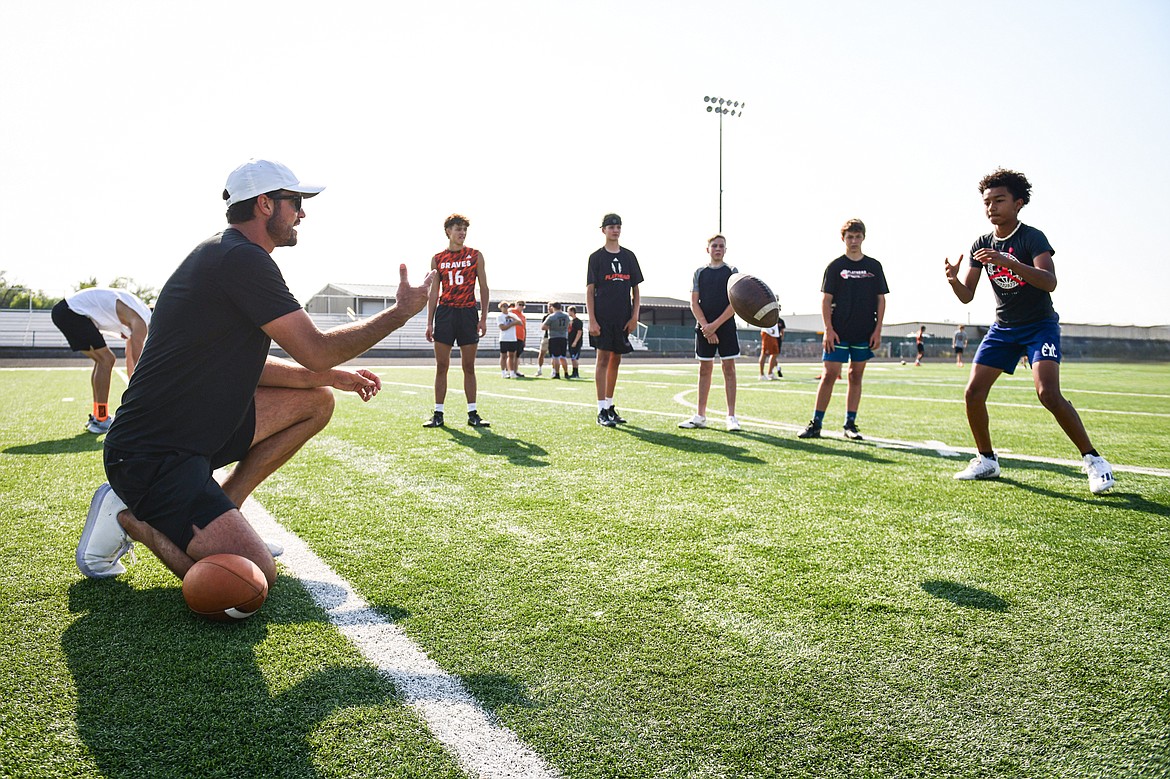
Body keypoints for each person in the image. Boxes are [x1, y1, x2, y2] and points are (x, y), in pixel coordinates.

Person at [77, 158, 436, 589]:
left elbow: (248, 364)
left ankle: (226, 507)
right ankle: (129, 515)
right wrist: (398, 314)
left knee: (316, 402)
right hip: (152, 453)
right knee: (246, 583)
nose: (303, 213)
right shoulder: (241, 259)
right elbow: (316, 351)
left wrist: (325, 378)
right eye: (296, 202)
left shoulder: (228, 254)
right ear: (265, 204)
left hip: (192, 436)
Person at [944, 168, 1114, 493]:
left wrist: (1008, 263)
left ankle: (1094, 460)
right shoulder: (982, 243)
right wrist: (953, 279)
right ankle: (987, 460)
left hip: (1039, 327)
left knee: (1047, 393)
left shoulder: (1032, 237)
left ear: (1018, 203)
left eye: (999, 200)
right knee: (972, 393)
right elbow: (967, 294)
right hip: (1003, 328)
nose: (991, 207)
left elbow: (1049, 281)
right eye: (987, 202)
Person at [798, 218, 888, 441]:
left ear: (863, 238)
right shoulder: (835, 266)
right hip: (838, 331)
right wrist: (828, 329)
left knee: (855, 376)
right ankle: (815, 423)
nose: (854, 241)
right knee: (829, 375)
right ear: (843, 238)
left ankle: (850, 425)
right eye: (850, 237)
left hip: (864, 331)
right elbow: (826, 300)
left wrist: (878, 330)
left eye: (858, 236)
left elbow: (881, 300)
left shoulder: (874, 266)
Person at [51, 287, 152, 433]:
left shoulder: (136, 312)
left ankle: (98, 415)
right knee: (107, 359)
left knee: (104, 360)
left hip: (68, 311)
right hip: (72, 312)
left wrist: (134, 387)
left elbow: (130, 356)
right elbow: (139, 361)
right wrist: (144, 394)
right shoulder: (143, 320)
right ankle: (101, 419)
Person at [424, 214, 490, 428]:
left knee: (468, 366)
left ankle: (473, 413)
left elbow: (484, 288)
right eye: (458, 229)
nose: (462, 233)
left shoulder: (475, 255)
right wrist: (429, 322)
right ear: (448, 231)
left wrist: (483, 318)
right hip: (445, 313)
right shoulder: (437, 258)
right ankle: (438, 413)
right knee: (441, 365)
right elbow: (434, 293)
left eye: (464, 229)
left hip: (467, 313)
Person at [586, 213, 642, 427]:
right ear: (603, 230)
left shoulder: (629, 256)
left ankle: (610, 405)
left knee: (616, 360)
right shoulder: (596, 257)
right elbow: (590, 290)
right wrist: (592, 319)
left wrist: (634, 315)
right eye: (611, 227)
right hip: (603, 317)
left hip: (623, 318)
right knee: (602, 359)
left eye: (618, 226)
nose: (615, 230)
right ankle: (600, 409)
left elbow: (636, 290)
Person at [679, 235, 740, 431]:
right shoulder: (700, 272)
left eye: (721, 246)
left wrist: (715, 325)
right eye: (714, 245)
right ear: (708, 249)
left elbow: (735, 303)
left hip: (726, 327)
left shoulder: (732, 271)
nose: (718, 249)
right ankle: (700, 415)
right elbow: (694, 303)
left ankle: (731, 417)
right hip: (704, 328)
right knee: (704, 370)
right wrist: (707, 326)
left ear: (725, 249)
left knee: (728, 369)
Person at [541, 302, 571, 379]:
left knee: (555, 357)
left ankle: (557, 373)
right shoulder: (566, 316)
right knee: (563, 357)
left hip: (554, 337)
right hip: (563, 337)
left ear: (553, 307)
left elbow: (543, 327)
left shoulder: (552, 316)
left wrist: (551, 326)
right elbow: (569, 325)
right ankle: (566, 373)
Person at [497, 300, 521, 378]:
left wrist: (512, 319)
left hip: (512, 338)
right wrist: (513, 323)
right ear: (500, 308)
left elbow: (520, 323)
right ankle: (503, 372)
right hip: (504, 338)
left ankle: (512, 372)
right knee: (503, 356)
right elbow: (503, 327)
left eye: (507, 306)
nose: (506, 308)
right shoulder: (500, 316)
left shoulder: (512, 315)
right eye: (504, 306)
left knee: (512, 356)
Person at [509, 300, 528, 377]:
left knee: (517, 355)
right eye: (519, 304)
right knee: (511, 355)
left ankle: (515, 370)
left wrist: (524, 339)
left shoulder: (523, 316)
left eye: (522, 305)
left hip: (520, 336)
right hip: (513, 336)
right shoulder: (512, 311)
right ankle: (510, 370)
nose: (521, 306)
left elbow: (524, 328)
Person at [567, 306, 584, 378]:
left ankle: (576, 373)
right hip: (570, 341)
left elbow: (579, 332)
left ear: (572, 311)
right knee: (572, 358)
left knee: (575, 358)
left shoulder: (578, 322)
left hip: (576, 342)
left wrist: (575, 342)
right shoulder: (570, 321)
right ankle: (574, 372)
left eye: (569, 311)